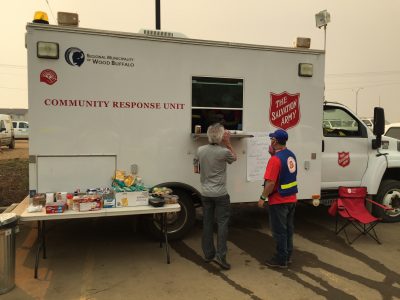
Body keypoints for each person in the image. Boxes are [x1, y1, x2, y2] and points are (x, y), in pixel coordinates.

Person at [195, 123, 237, 270]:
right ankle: (221, 256)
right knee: (222, 224)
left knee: (207, 223)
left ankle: (208, 254)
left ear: (208, 135)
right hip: (220, 193)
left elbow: (196, 169)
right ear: (220, 136)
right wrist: (228, 142)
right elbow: (235, 158)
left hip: (205, 192)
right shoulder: (224, 152)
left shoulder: (200, 150)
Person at [258, 129, 298, 269]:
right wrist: (272, 154)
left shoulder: (275, 160)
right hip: (291, 199)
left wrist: (263, 197)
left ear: (275, 141)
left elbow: (270, 183)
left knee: (279, 232)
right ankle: (287, 256)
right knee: (288, 230)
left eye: (271, 139)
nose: (270, 141)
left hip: (278, 201)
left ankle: (281, 259)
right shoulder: (291, 155)